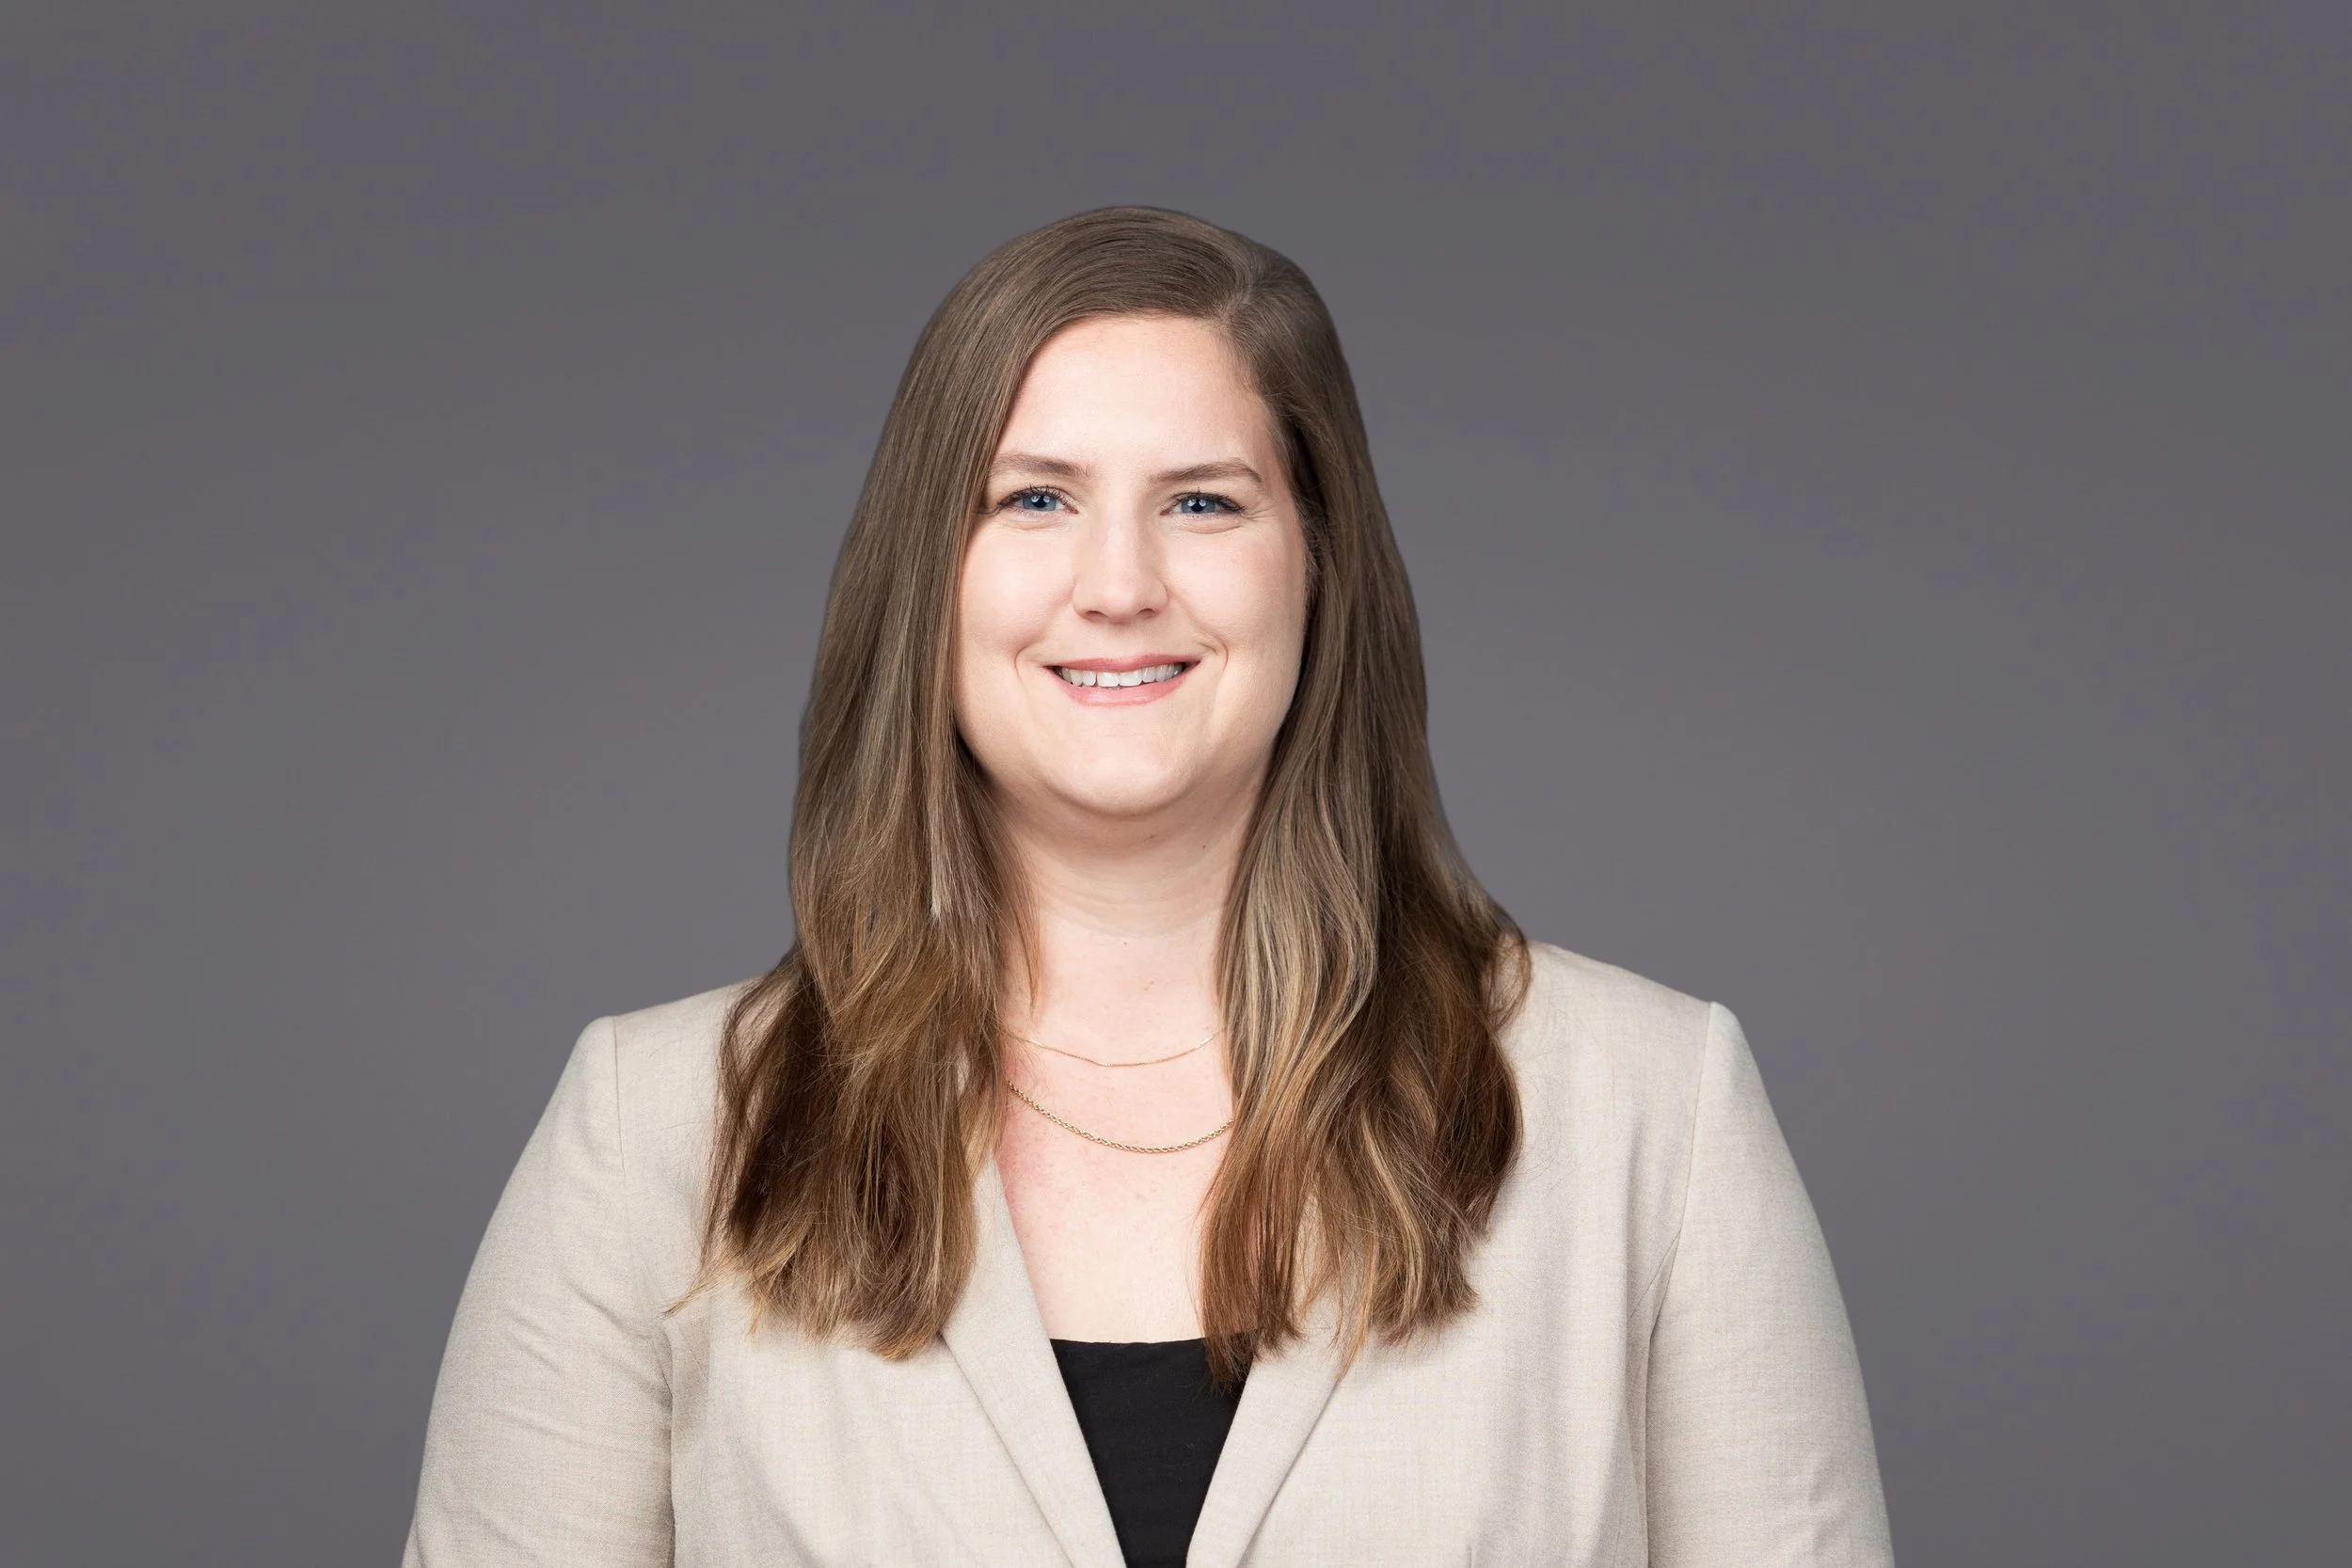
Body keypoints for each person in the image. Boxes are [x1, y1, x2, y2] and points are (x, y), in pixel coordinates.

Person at [402, 206, 1895, 1567]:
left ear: (1319, 567)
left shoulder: (1653, 1113)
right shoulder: (655, 1135)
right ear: (928, 574)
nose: (1117, 583)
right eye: (1034, 501)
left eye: (1202, 502)